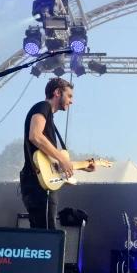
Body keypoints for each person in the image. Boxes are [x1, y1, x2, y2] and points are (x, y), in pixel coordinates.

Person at [20, 77, 95, 229]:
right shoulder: (43, 106)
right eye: (69, 96)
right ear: (57, 92)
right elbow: (35, 136)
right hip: (37, 184)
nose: (71, 101)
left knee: (43, 233)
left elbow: (52, 165)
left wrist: (81, 166)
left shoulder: (49, 117)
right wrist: (62, 158)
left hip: (40, 184)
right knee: (47, 237)